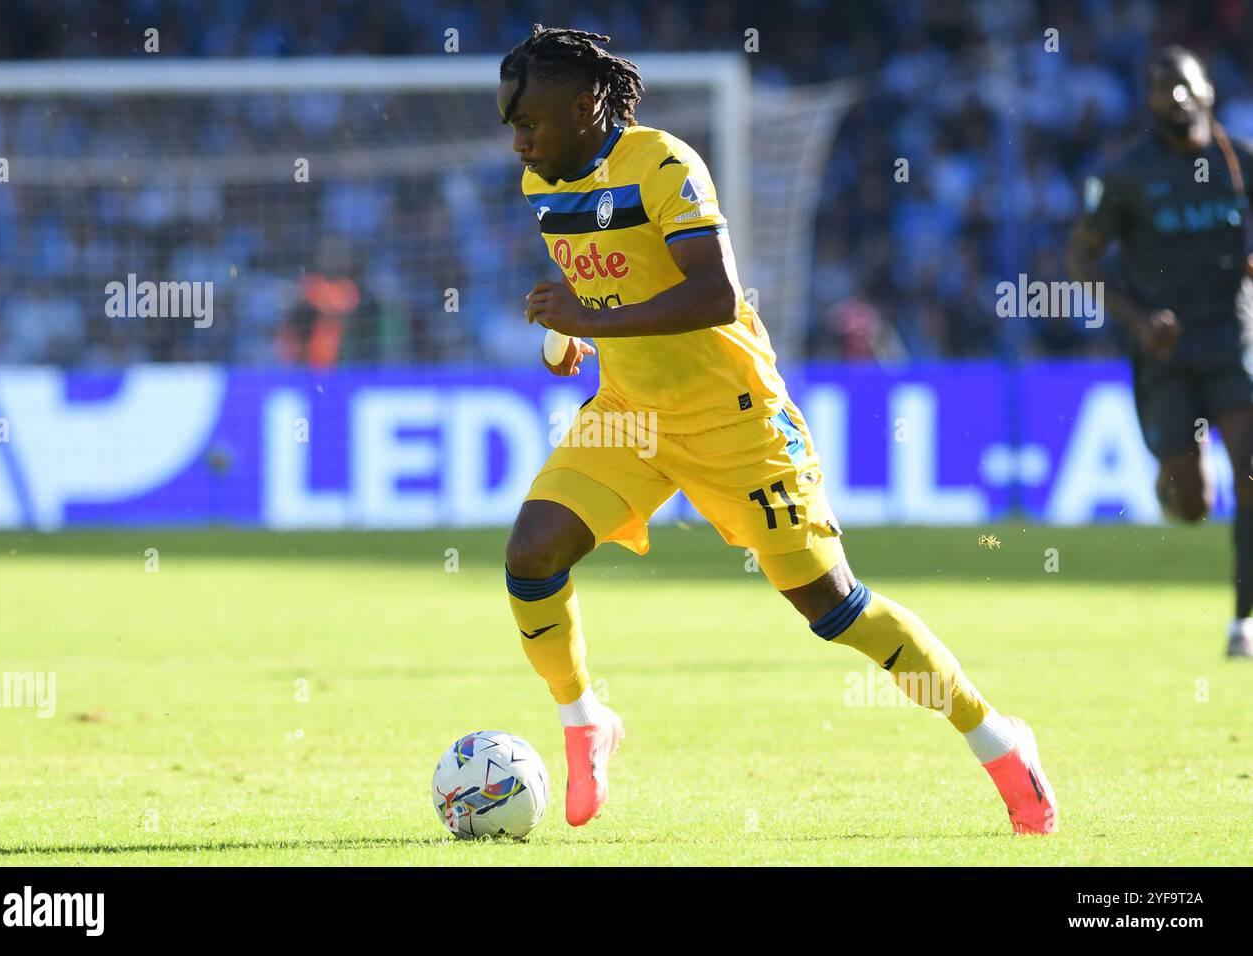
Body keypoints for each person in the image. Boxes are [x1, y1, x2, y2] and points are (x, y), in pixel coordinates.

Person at [499, 24, 1058, 832]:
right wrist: (572, 335)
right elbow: (603, 277)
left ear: (587, 105)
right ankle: (586, 720)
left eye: (530, 123)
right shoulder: (540, 183)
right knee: (531, 554)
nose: (518, 143)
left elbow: (715, 295)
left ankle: (999, 739)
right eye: (511, 126)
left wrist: (591, 316)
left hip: (738, 424)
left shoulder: (664, 164)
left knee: (835, 608)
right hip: (630, 418)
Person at [1068, 45, 1253, 658]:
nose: (1171, 97)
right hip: (1166, 350)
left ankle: (1243, 621)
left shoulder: (1243, 163)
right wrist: (1139, 319)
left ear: (1208, 93)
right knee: (1191, 504)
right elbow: (1081, 259)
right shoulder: (1125, 178)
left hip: (1236, 339)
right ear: (1147, 103)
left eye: (1182, 86)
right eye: (1158, 89)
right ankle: (1173, 477)